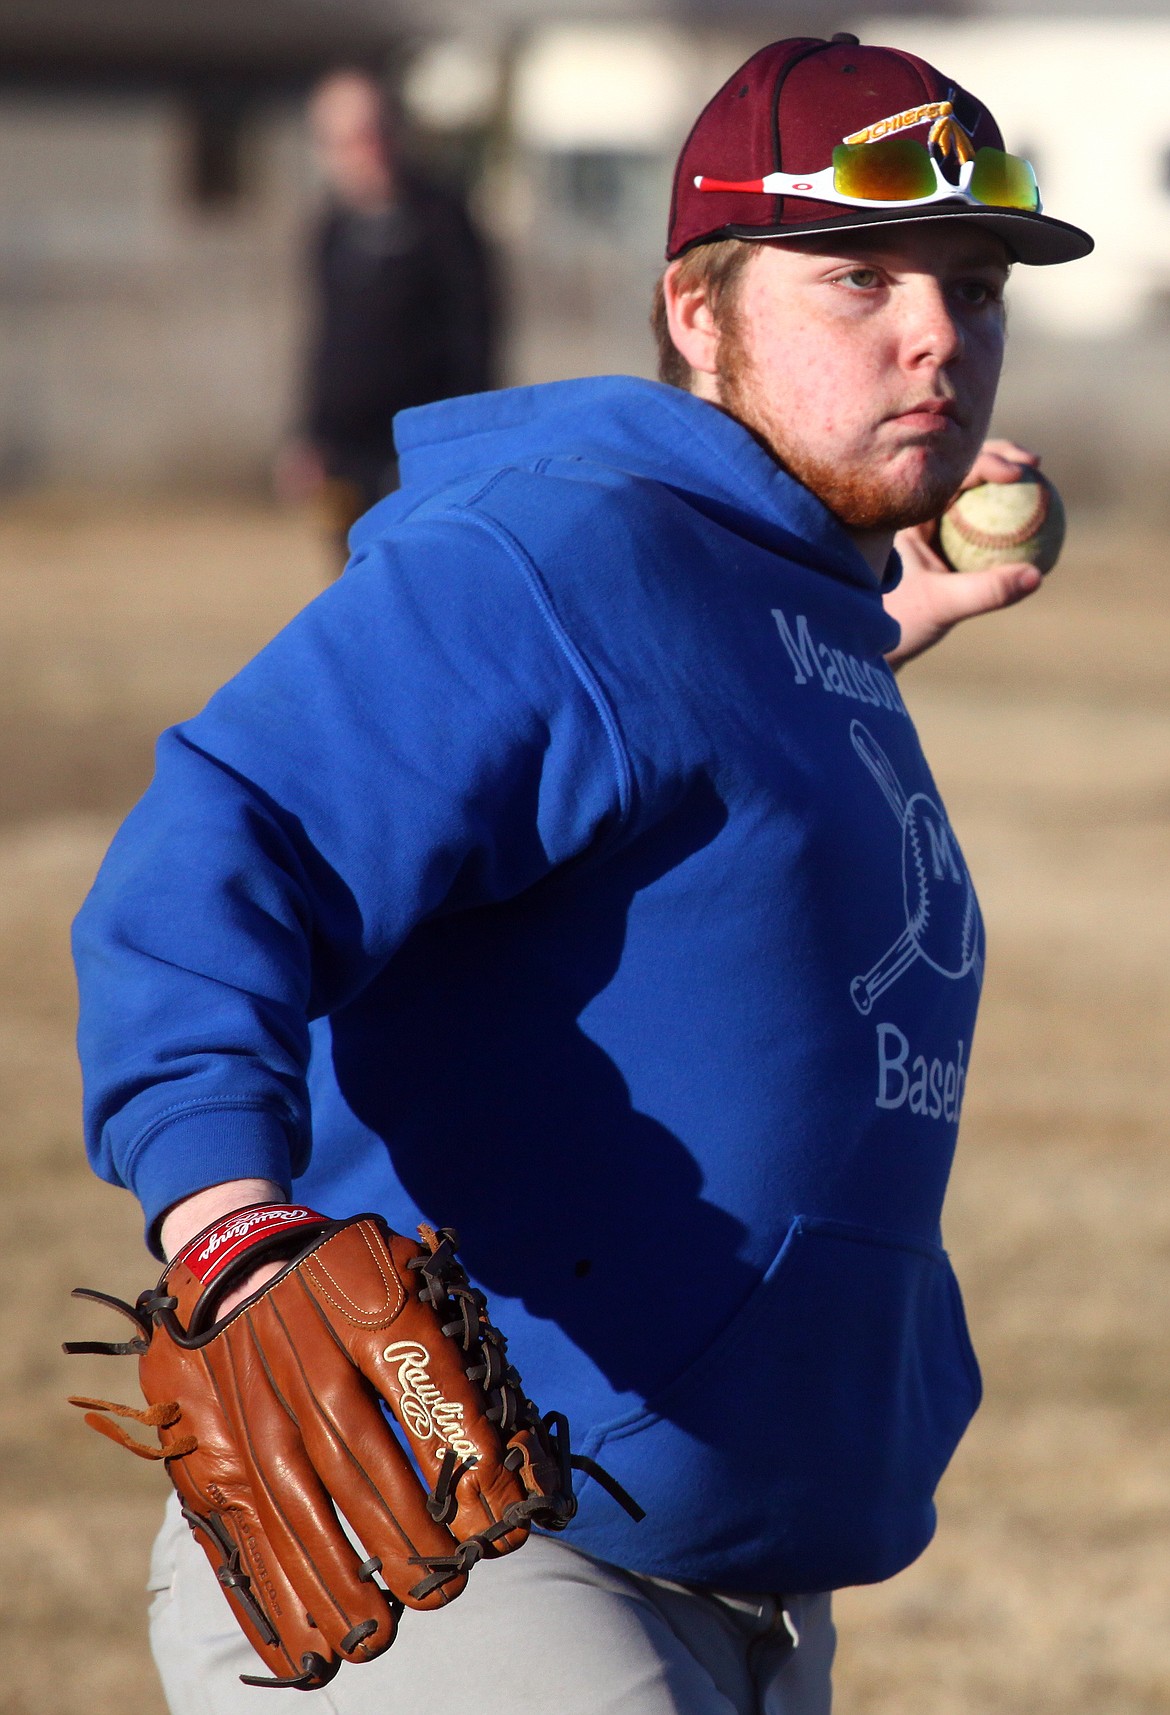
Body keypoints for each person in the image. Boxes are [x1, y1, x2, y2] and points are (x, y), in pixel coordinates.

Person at [73, 34, 1092, 1715]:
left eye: (974, 286)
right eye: (859, 281)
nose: (936, 333)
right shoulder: (558, 552)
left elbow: (670, 814)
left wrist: (843, 645)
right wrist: (226, 1226)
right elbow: (220, 840)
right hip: (463, 1556)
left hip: (738, 1594)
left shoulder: (779, 615)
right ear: (697, 310)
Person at [276, 69, 497, 571]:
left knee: (421, 576)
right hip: (346, 450)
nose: (367, 149)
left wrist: (464, 443)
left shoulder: (444, 222)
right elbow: (324, 340)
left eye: (376, 131)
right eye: (349, 140)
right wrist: (308, 434)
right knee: (351, 579)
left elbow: (475, 339)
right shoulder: (330, 231)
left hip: (423, 447)